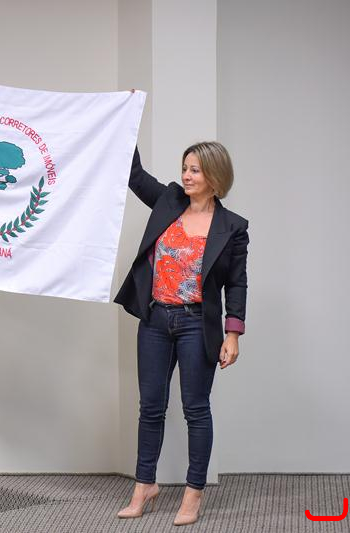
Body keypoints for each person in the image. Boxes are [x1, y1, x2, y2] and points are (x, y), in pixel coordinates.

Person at [113, 142, 249, 526]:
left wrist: (233, 333)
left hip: (196, 324)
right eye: (185, 168)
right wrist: (124, 120)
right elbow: (134, 176)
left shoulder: (232, 227)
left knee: (195, 409)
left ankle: (193, 493)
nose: (186, 176)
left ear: (215, 177)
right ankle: (144, 485)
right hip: (155, 320)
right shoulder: (169, 201)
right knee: (151, 407)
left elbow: (237, 284)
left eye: (195, 170)